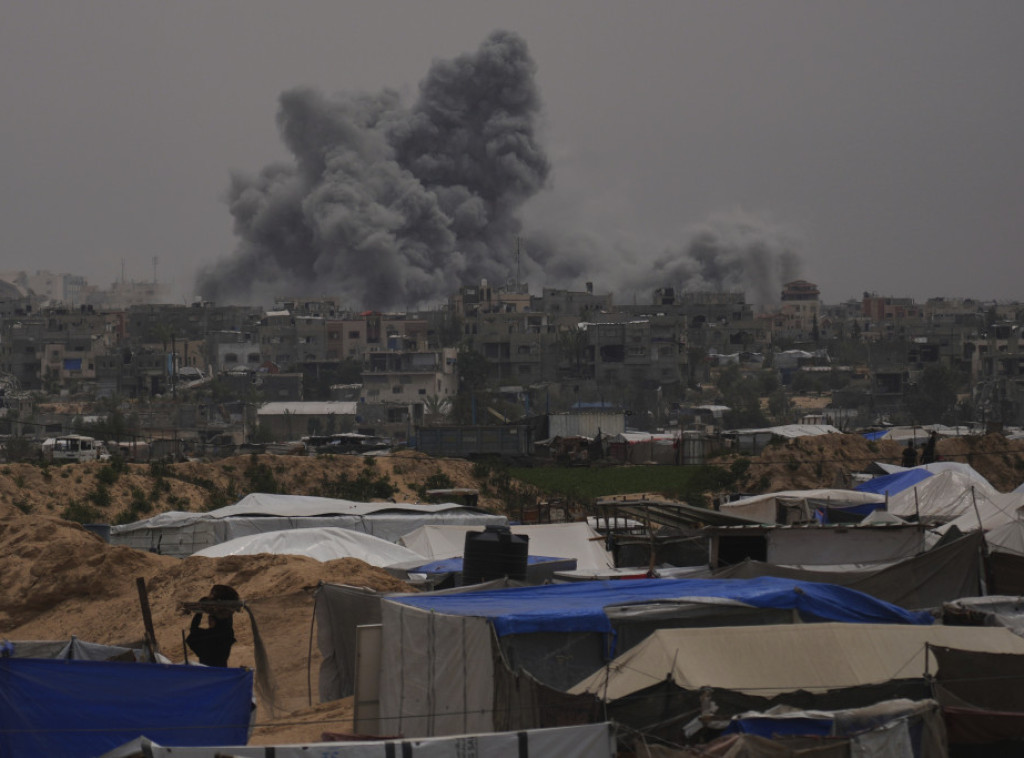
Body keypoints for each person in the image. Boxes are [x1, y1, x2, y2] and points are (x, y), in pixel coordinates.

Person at [186, 584, 239, 667]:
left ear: (213, 621)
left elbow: (193, 629)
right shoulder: (226, 634)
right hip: (219, 671)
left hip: (208, 672)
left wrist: (199, 612)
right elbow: (227, 619)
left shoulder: (205, 638)